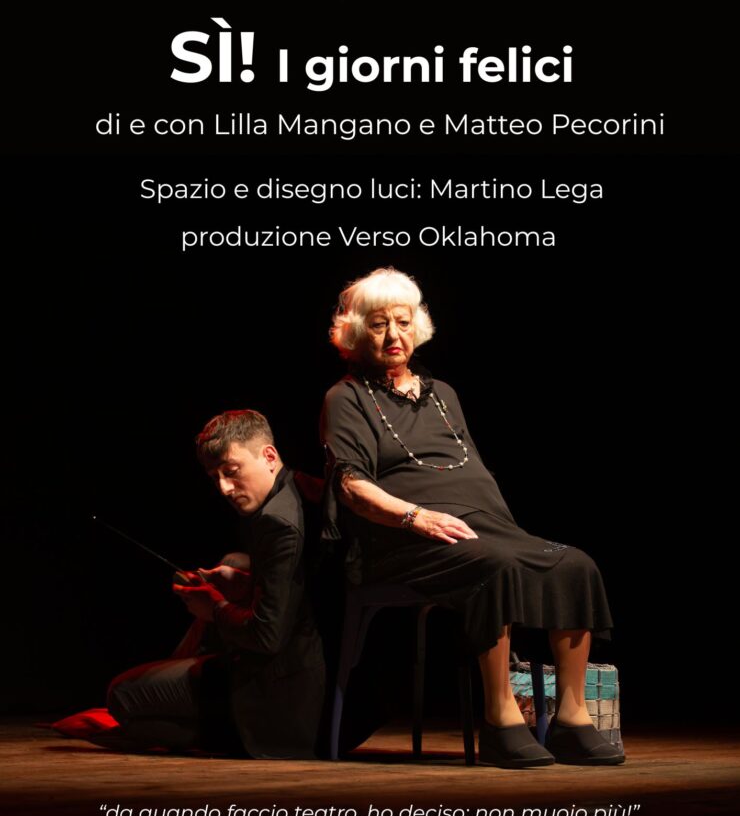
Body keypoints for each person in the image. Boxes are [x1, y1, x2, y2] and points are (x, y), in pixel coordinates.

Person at [320, 267, 624, 768]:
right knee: (494, 565)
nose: (394, 334)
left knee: (575, 564)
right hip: (402, 540)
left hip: (479, 526)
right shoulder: (346, 397)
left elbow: (473, 468)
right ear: (355, 332)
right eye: (378, 324)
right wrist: (416, 517)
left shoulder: (443, 394)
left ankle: (572, 720)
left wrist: (508, 531)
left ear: (418, 326)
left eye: (402, 321)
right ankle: (501, 720)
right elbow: (351, 486)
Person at [107, 409, 325, 759]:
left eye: (232, 471)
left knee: (122, 696)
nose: (224, 488)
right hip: (298, 667)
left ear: (269, 456)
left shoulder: (278, 523)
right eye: (215, 477)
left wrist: (216, 609)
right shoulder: (298, 487)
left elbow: (267, 636)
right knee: (233, 564)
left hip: (285, 698)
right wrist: (243, 583)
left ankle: (233, 732)